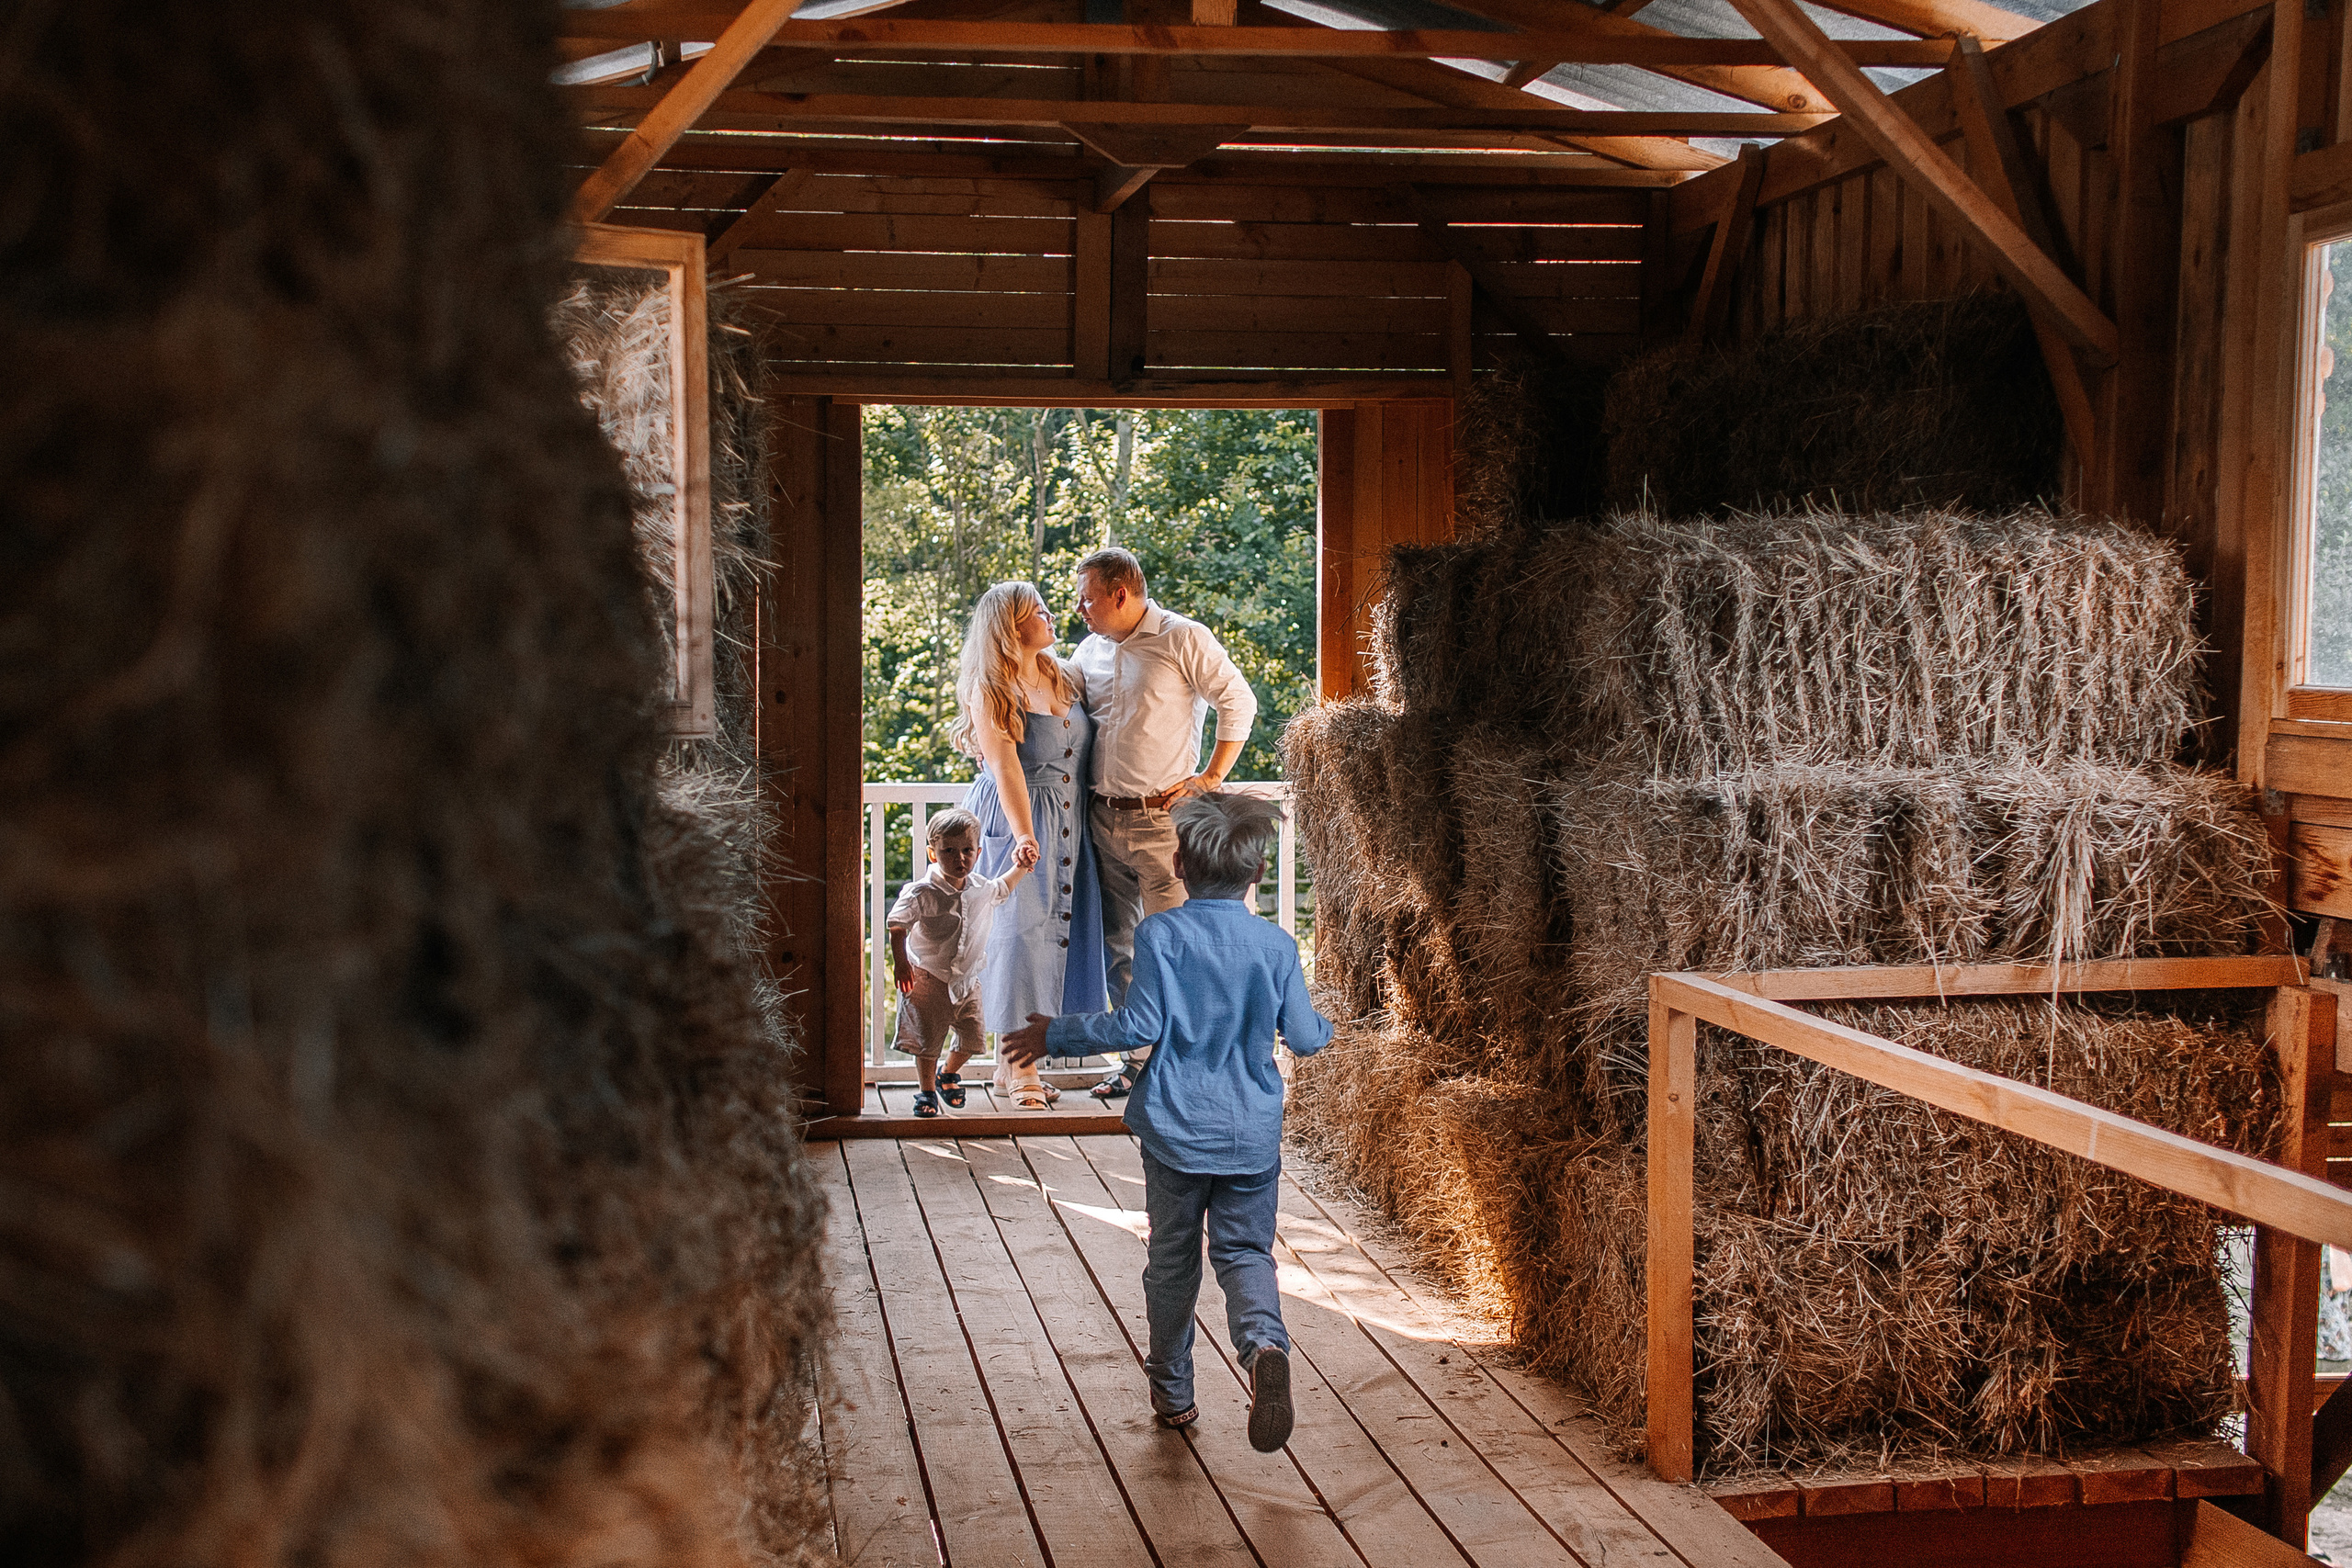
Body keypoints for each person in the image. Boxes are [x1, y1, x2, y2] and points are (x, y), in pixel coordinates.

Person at [1002, 791, 1330, 1452]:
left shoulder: (1162, 934)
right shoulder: (1275, 946)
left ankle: (1174, 1393)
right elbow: (1304, 1036)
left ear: (1178, 864)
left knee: (1173, 1260)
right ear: (1258, 872)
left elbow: (1139, 1025)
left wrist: (1057, 1033)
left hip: (1177, 1129)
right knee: (1245, 1253)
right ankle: (1264, 1345)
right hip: (1249, 1136)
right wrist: (1324, 1024)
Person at [1068, 546, 1258, 1100]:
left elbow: (1238, 700)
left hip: (1164, 823)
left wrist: (1212, 775)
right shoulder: (1089, 650)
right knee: (1120, 948)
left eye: (1087, 598)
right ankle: (1137, 1065)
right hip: (1101, 820)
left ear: (1120, 593)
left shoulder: (1182, 637)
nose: (1080, 608)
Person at [953, 581, 1109, 1111]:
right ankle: (1021, 1067)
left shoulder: (1064, 674)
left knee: (1054, 937)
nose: (1050, 615)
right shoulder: (993, 687)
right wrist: (1024, 835)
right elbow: (1004, 768)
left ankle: (1009, 1066)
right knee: (1017, 937)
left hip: (1068, 820)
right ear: (1009, 626)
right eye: (1037, 610)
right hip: (1016, 816)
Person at [886, 808, 1033, 1119]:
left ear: (978, 852)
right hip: (929, 977)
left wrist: (1022, 866)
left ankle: (948, 1073)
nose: (960, 858)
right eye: (949, 851)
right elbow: (897, 925)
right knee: (927, 1041)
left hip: (967, 980)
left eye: (967, 850)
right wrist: (901, 962)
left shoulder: (980, 888)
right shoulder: (921, 892)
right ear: (933, 853)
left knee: (973, 1038)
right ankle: (927, 1091)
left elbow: (1003, 887)